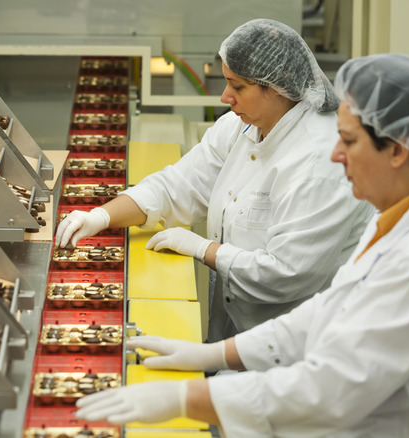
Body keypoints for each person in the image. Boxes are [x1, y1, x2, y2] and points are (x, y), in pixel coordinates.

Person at [75, 53, 409, 437]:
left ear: (398, 151)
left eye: (348, 141)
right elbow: (328, 311)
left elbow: (329, 392)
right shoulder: (406, 206)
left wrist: (183, 400)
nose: (335, 155)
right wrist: (214, 356)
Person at [55, 19, 373, 341]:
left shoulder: (321, 163)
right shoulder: (243, 126)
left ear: (276, 86)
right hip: (237, 330)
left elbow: (286, 274)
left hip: (297, 347)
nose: (225, 97)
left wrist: (204, 249)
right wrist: (102, 215)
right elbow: (178, 185)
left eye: (238, 87)